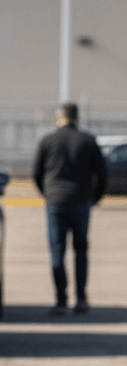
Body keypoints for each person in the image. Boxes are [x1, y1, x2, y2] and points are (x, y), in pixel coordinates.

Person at [32, 102, 107, 315]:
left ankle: (61, 300)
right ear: (77, 118)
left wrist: (48, 194)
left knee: (57, 251)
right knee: (81, 250)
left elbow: (36, 173)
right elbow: (102, 174)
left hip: (55, 202)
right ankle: (81, 298)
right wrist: (95, 198)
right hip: (81, 202)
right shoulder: (88, 141)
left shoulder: (48, 140)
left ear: (58, 118)